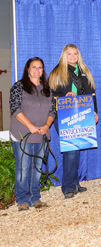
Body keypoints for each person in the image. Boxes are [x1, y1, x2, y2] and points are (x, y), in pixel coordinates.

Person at [49, 44, 98, 199]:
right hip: (63, 115)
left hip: (83, 113)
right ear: (64, 55)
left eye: (75, 54)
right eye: (69, 54)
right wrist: (64, 97)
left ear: (79, 55)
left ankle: (75, 183)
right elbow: (50, 95)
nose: (72, 57)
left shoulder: (85, 71)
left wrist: (94, 111)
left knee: (76, 149)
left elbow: (92, 93)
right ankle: (68, 187)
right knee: (71, 150)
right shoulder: (57, 72)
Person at [10, 57, 56, 211]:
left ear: (43, 70)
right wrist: (30, 126)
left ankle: (35, 197)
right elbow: (15, 108)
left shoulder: (47, 88)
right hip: (22, 133)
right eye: (34, 67)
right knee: (23, 168)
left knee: (37, 167)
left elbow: (52, 110)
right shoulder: (19, 86)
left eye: (40, 67)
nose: (37, 70)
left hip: (41, 134)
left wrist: (46, 125)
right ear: (28, 70)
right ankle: (22, 199)